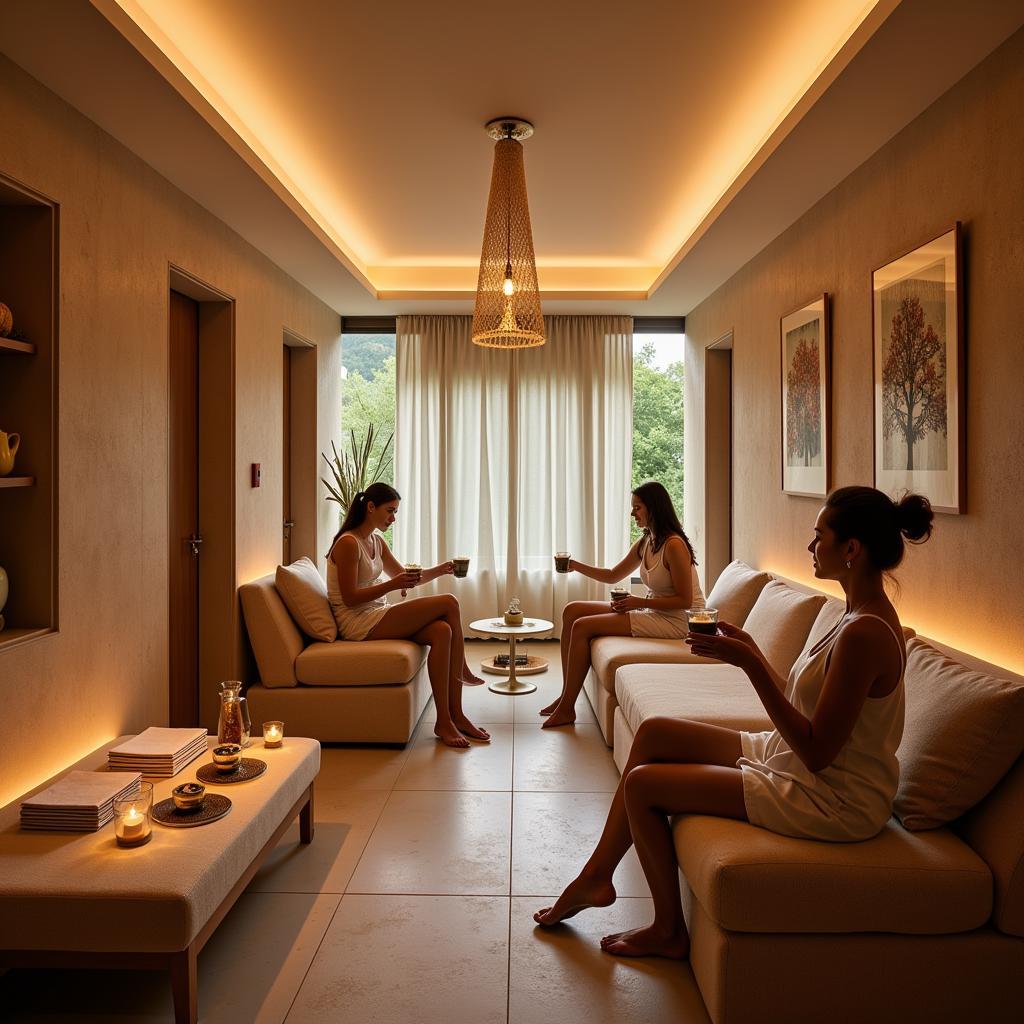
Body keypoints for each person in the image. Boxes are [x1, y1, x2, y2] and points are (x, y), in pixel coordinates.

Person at [534, 486, 934, 960]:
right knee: (656, 731)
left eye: (818, 536)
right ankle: (599, 876)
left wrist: (748, 665)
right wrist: (753, 650)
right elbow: (809, 704)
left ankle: (666, 928)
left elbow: (817, 750)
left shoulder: (866, 632)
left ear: (851, 549)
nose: (810, 547)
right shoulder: (851, 614)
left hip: (831, 796)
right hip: (804, 764)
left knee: (643, 786)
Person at [327, 482, 489, 749]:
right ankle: (462, 673)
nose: (393, 518)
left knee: (442, 631)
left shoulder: (376, 542)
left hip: (376, 613)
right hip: (356, 623)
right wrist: (393, 585)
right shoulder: (348, 543)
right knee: (449, 602)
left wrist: (441, 569)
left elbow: (406, 578)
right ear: (370, 507)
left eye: (396, 512)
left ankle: (448, 719)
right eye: (390, 511)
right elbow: (350, 598)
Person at [541, 481, 702, 728]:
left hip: (680, 621)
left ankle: (567, 708)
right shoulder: (648, 540)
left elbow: (685, 600)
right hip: (654, 608)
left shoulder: (674, 545)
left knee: (583, 627)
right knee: (572, 610)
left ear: (653, 509)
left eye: (637, 507)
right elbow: (612, 574)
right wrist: (575, 566)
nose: (632, 513)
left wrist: (636, 602)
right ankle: (565, 695)